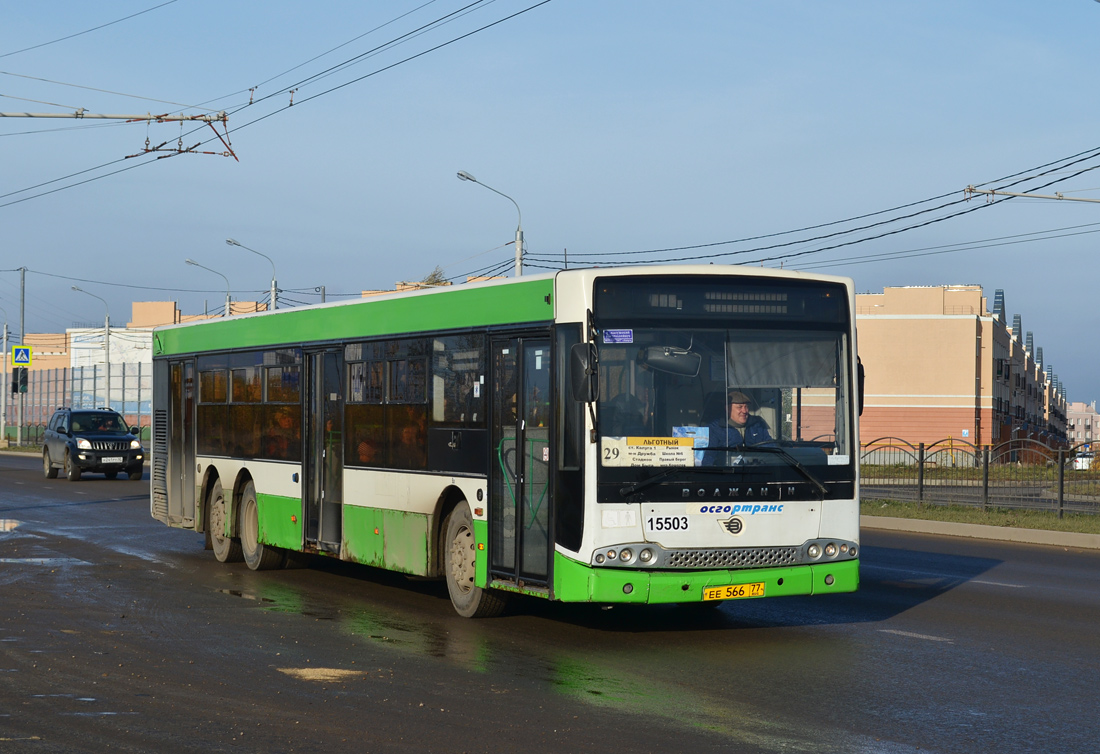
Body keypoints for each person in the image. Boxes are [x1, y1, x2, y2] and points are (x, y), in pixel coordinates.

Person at [702, 390, 772, 466]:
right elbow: (708, 457)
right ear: (728, 408)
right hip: (728, 473)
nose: (745, 411)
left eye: (746, 407)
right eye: (740, 407)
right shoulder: (714, 428)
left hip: (757, 470)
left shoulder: (757, 424)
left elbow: (771, 447)